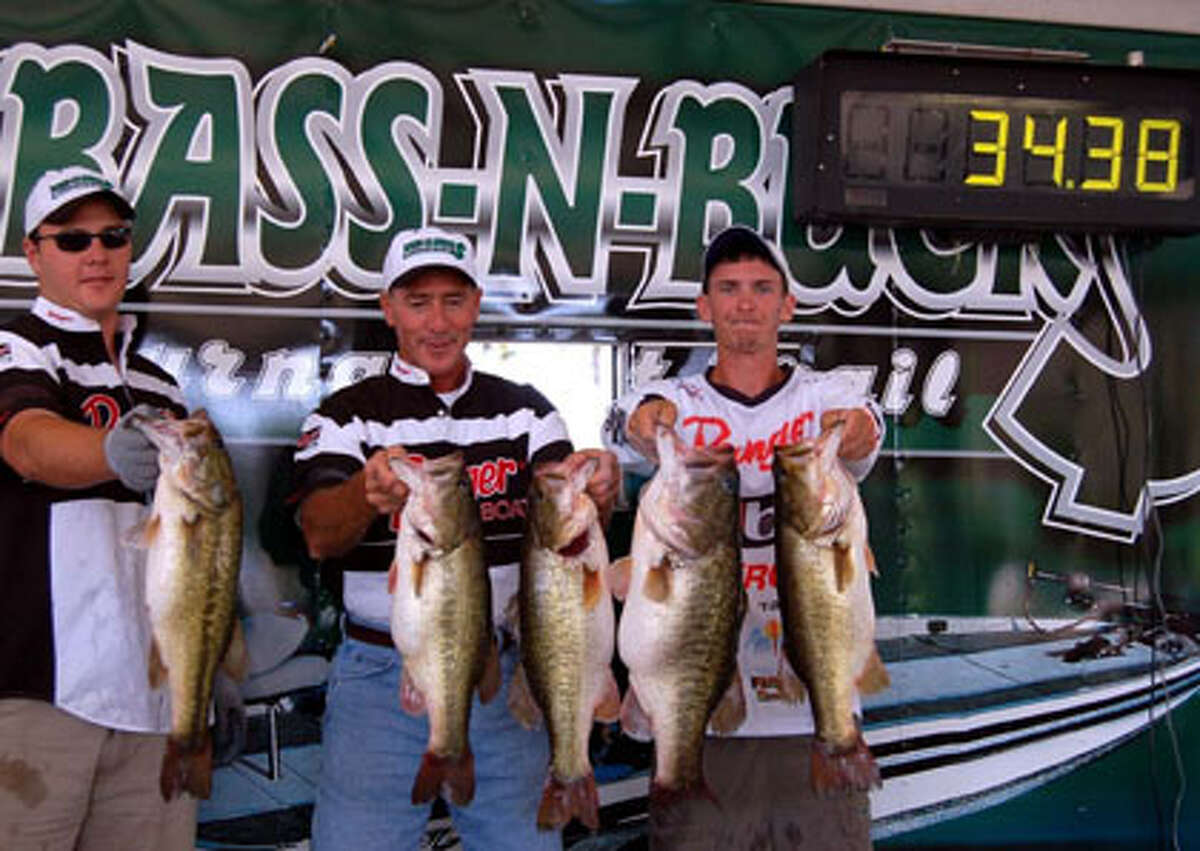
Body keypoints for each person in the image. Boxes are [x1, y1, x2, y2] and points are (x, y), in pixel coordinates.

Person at [293, 225, 619, 850]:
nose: (437, 322)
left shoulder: (526, 411)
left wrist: (597, 487)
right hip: (378, 679)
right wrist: (365, 493)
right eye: (417, 303)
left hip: (501, 670)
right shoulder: (344, 415)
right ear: (387, 309)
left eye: (453, 300)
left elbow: (568, 521)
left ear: (475, 305)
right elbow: (317, 534)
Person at [604, 225, 884, 849]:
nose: (745, 303)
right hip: (704, 717)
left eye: (762, 288)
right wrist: (649, 425)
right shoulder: (676, 398)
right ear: (705, 307)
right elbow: (636, 417)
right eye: (728, 289)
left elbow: (864, 426)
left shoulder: (825, 396)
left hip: (811, 715)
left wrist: (855, 430)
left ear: (787, 306)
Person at [0, 166, 192, 848]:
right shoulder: (17, 345)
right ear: (32, 251)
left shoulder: (159, 383)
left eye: (112, 235)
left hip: (154, 702)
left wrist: (215, 661)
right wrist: (107, 454)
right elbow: (25, 440)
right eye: (72, 238)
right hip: (39, 694)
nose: (96, 253)